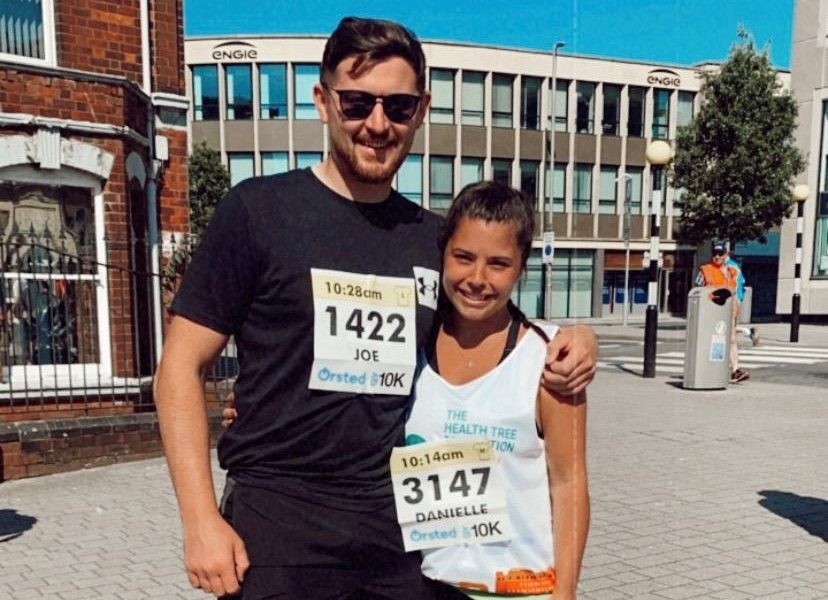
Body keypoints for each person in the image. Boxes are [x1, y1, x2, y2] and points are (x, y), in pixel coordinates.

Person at [154, 16, 598, 600]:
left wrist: (577, 335)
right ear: (323, 100)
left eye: (399, 106)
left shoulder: (430, 239)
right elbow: (178, 370)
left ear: (421, 109)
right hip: (279, 527)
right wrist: (200, 520)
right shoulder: (258, 212)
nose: (377, 124)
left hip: (396, 537)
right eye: (357, 102)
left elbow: (490, 321)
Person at [404, 181, 589, 599]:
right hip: (423, 583)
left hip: (519, 588)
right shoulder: (409, 347)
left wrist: (566, 592)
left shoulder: (550, 361)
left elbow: (569, 483)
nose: (477, 278)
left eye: (499, 263)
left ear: (521, 267)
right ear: (443, 254)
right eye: (463, 257)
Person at [695, 241, 747, 383]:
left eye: (720, 254)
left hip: (727, 312)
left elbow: (736, 292)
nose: (716, 256)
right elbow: (696, 291)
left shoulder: (733, 272)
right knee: (711, 341)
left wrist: (737, 306)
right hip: (710, 312)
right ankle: (706, 370)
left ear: (726, 255)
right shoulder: (705, 270)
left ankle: (735, 371)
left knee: (731, 340)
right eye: (714, 254)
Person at [724, 252, 759, 346]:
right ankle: (749, 332)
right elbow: (743, 280)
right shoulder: (735, 265)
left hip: (731, 298)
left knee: (727, 324)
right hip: (738, 296)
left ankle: (748, 332)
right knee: (729, 324)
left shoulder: (726, 266)